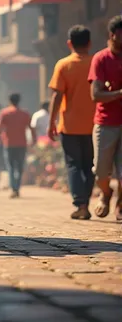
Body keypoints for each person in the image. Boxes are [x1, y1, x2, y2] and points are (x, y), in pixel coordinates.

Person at [47, 25, 95, 220]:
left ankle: (80, 204)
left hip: (69, 125)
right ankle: (86, 202)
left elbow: (57, 96)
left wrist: (52, 122)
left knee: (74, 165)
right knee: (89, 165)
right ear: (89, 43)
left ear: (69, 43)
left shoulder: (63, 65)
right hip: (94, 125)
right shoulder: (96, 63)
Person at [88, 15, 122, 221]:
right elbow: (96, 95)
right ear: (112, 35)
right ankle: (106, 193)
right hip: (105, 122)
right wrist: (119, 94)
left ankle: (120, 205)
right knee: (101, 173)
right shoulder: (101, 58)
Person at [0, 93, 35, 198]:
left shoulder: (5, 113)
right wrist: (34, 140)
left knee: (11, 167)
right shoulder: (25, 114)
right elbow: (31, 128)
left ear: (10, 101)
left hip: (8, 144)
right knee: (20, 167)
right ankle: (16, 187)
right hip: (22, 144)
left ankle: (14, 188)